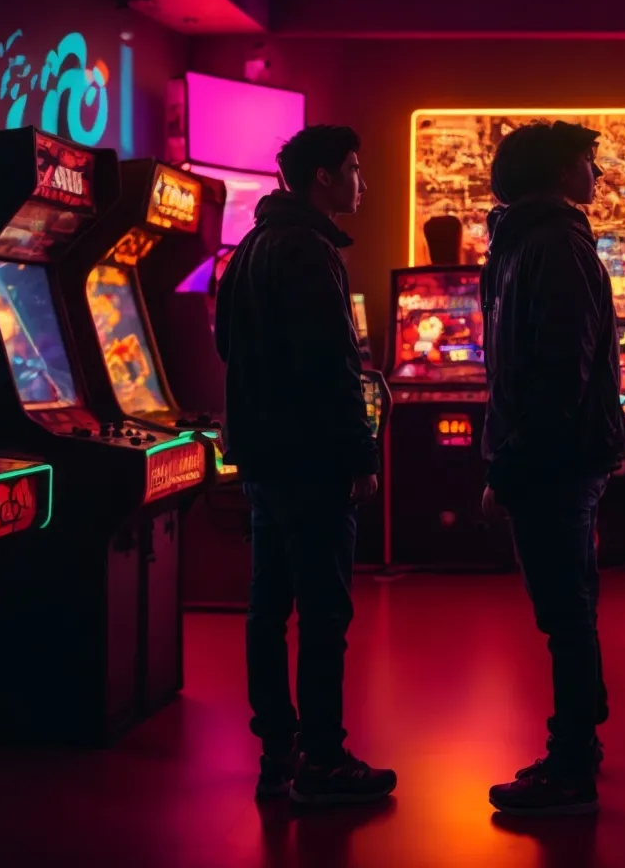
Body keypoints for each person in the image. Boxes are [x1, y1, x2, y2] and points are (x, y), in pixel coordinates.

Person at [214, 124, 397, 806]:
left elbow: (226, 343)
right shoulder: (310, 250)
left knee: (267, 609)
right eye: (353, 168)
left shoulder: (252, 247)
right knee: (324, 614)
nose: (362, 181)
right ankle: (323, 758)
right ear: (323, 177)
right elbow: (332, 366)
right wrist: (360, 453)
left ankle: (277, 752)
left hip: (261, 457)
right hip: (313, 461)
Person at [478, 121, 625, 816]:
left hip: (547, 456)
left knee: (564, 612)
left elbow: (541, 372)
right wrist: (512, 459)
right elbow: (553, 370)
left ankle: (571, 761)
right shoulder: (552, 245)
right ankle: (576, 751)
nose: (595, 175)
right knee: (568, 610)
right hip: (553, 454)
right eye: (587, 162)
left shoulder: (525, 243)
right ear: (557, 172)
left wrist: (506, 462)